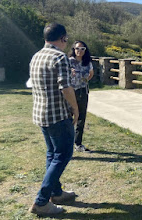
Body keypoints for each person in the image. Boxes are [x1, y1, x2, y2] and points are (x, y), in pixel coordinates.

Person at [28, 23, 79, 216]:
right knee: (62, 155)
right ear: (63, 38)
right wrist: (75, 108)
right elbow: (66, 88)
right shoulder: (59, 56)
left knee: (52, 153)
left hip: (41, 113)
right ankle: (41, 202)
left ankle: (55, 193)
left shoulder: (36, 56)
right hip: (58, 115)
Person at [69, 40, 94, 152]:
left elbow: (91, 74)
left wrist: (85, 80)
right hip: (70, 92)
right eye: (77, 48)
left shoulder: (87, 62)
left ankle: (78, 143)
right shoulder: (69, 61)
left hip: (83, 92)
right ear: (74, 49)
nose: (79, 51)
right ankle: (67, 143)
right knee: (68, 117)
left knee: (81, 118)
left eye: (82, 49)